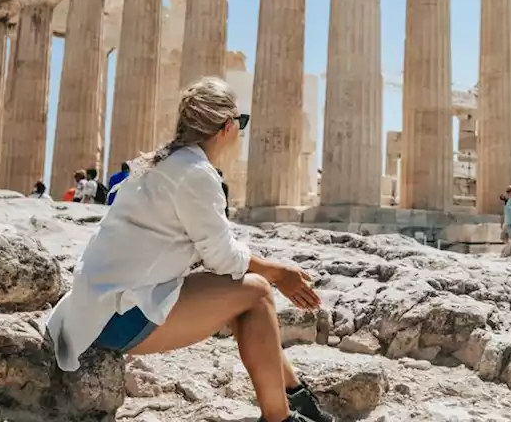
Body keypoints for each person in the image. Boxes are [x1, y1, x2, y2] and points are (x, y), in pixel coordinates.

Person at [45, 77, 330, 422]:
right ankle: (281, 416)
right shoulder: (195, 173)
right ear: (227, 127)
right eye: (241, 123)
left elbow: (216, 252)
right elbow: (222, 256)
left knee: (250, 294)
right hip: (114, 320)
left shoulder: (157, 163)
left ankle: (295, 399)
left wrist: (264, 271)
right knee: (255, 292)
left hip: (97, 307)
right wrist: (277, 271)